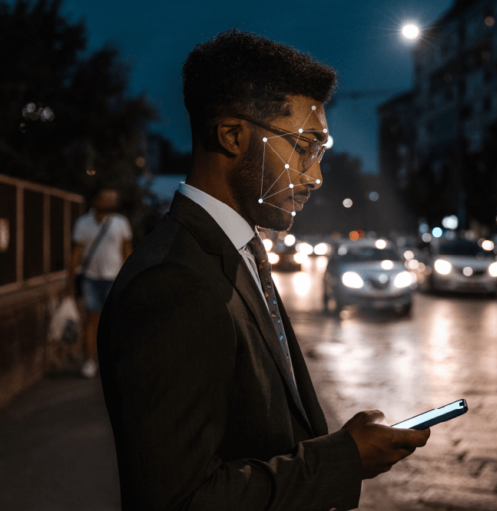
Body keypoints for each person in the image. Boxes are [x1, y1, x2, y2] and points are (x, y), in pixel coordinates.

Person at [97, 29, 429, 511]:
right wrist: (342, 459)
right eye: (303, 147)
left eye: (320, 153)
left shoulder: (237, 250)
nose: (314, 175)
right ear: (233, 136)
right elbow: (179, 499)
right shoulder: (174, 283)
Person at [69, 187, 132, 379]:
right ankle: (88, 362)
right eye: (106, 197)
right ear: (96, 199)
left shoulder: (121, 222)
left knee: (114, 322)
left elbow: (127, 251)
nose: (111, 201)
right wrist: (69, 281)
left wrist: (128, 277)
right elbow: (76, 253)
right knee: (91, 320)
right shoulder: (83, 223)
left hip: (114, 278)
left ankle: (114, 361)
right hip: (90, 278)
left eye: (113, 198)